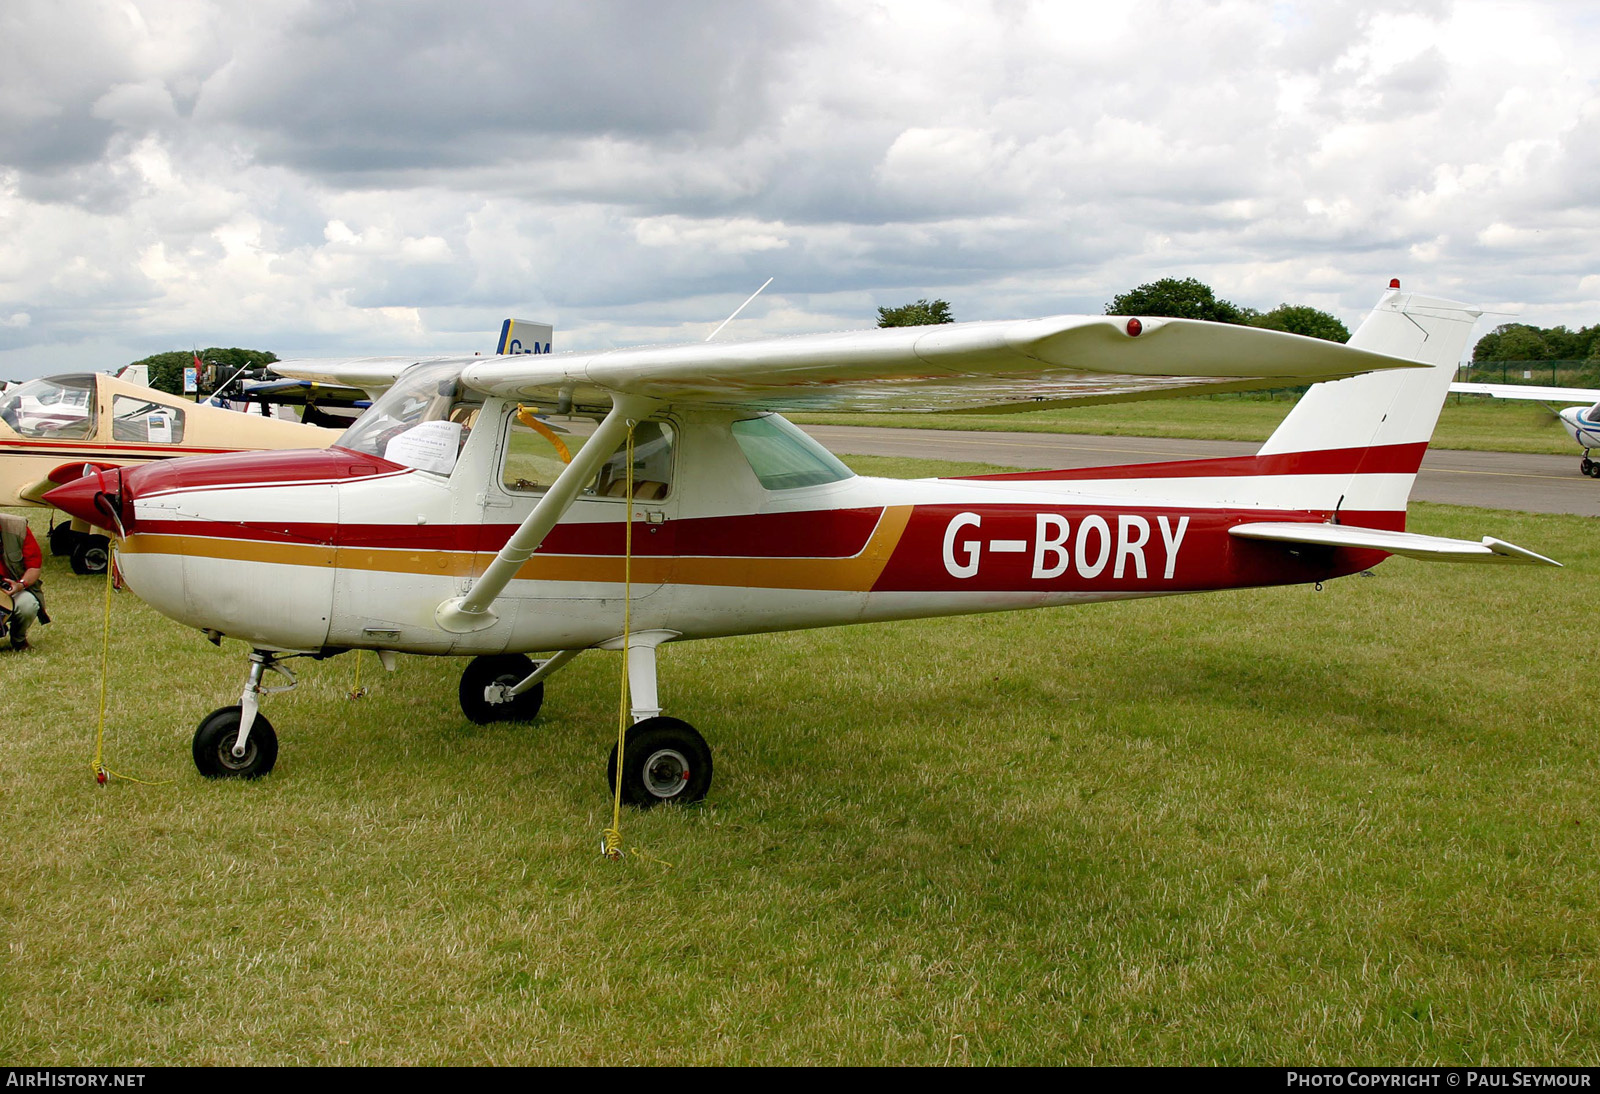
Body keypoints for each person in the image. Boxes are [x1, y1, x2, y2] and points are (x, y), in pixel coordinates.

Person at [0, 513, 48, 650]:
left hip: (9, 590)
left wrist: (20, 585)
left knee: (28, 604)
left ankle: (18, 639)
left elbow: (34, 567)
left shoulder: (17, 527)